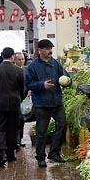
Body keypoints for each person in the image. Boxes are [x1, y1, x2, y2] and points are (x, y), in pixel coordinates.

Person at [26, 39, 67, 167]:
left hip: (56, 102)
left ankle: (54, 153)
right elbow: (28, 84)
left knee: (62, 125)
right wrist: (42, 85)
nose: (50, 51)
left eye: (51, 48)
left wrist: (67, 81)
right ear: (40, 50)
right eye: (47, 48)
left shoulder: (55, 63)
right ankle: (40, 157)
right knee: (41, 132)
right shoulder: (33, 67)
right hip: (42, 104)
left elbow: (64, 75)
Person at [14, 52, 27, 149]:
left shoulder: (26, 70)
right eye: (19, 59)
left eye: (23, 59)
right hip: (15, 99)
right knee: (17, 120)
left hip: (25, 98)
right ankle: (16, 141)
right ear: (14, 60)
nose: (21, 61)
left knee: (21, 121)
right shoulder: (13, 70)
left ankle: (19, 140)